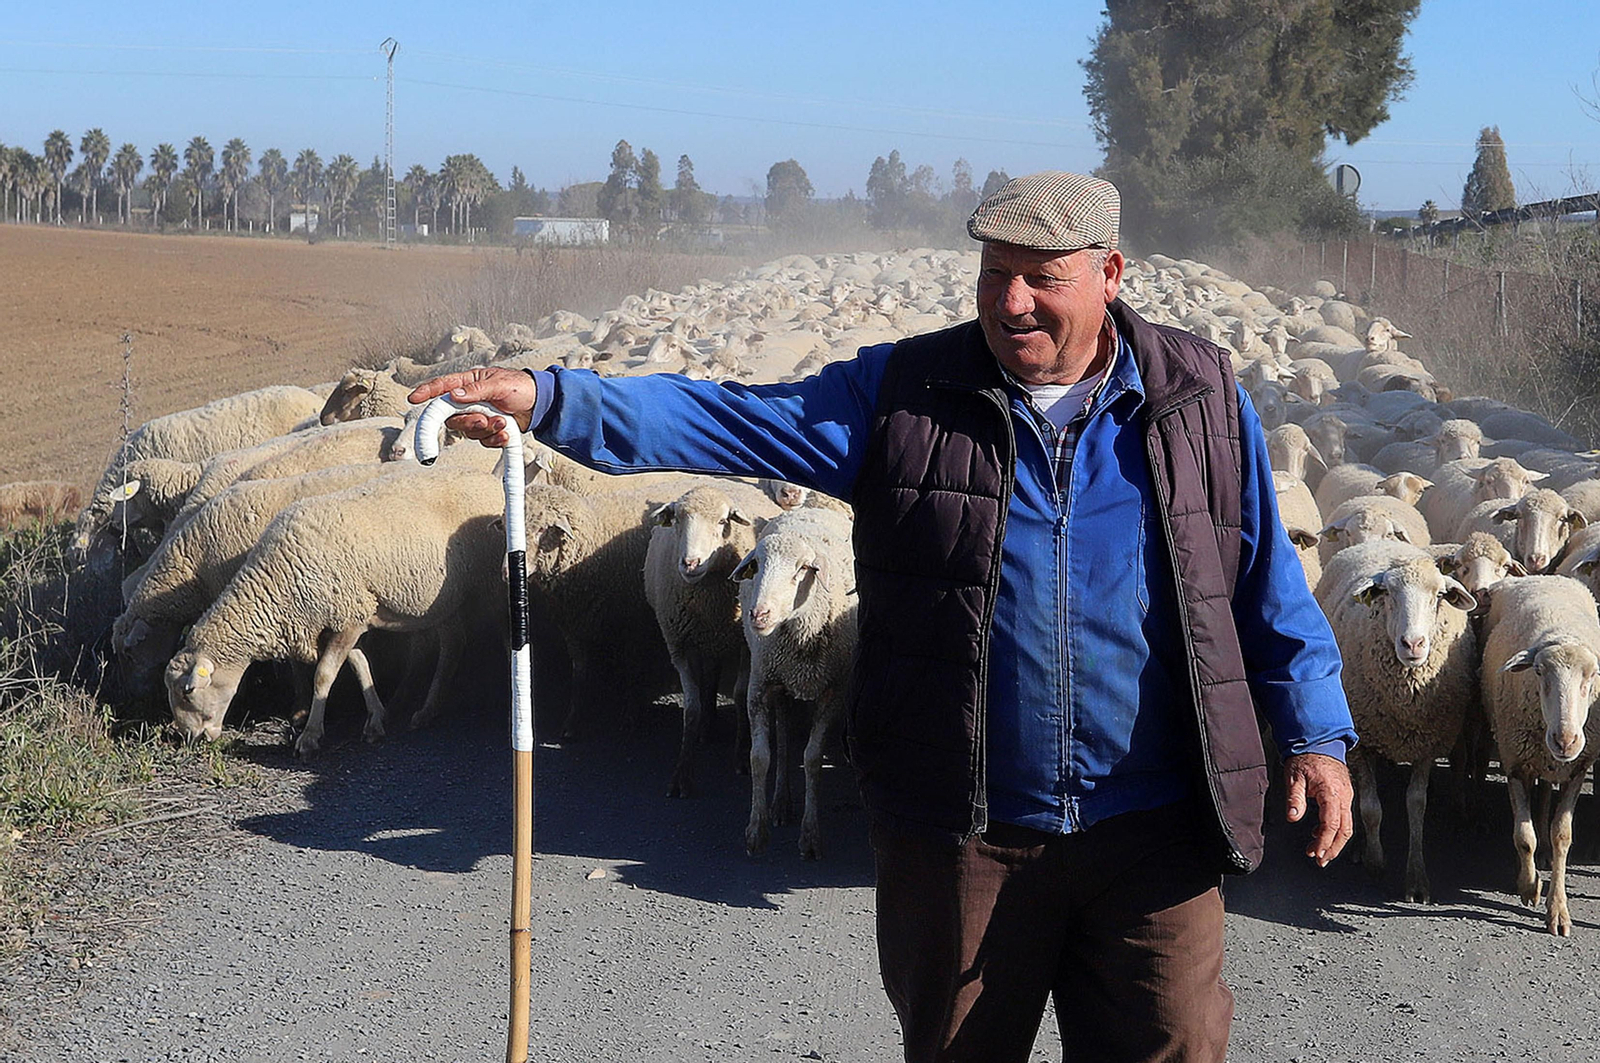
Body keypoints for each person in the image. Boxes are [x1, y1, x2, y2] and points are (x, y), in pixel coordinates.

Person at [410, 171, 1357, 1063]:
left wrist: (1316, 733)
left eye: (1042, 279)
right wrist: (552, 399)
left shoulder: (1198, 402)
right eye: (995, 276)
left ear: (1110, 274)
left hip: (1154, 832)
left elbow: (1265, 586)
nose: (1012, 301)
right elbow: (731, 419)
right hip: (964, 832)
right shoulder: (907, 395)